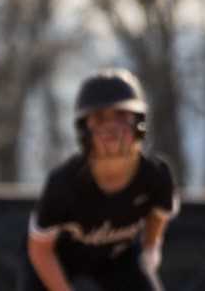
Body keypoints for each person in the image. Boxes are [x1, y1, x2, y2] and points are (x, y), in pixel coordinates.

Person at [19, 68, 179, 291]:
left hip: (117, 258)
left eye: (122, 116)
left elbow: (160, 214)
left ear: (140, 123)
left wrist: (151, 248)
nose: (112, 129)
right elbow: (40, 250)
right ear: (84, 129)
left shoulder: (156, 175)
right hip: (58, 259)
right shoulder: (64, 184)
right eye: (100, 118)